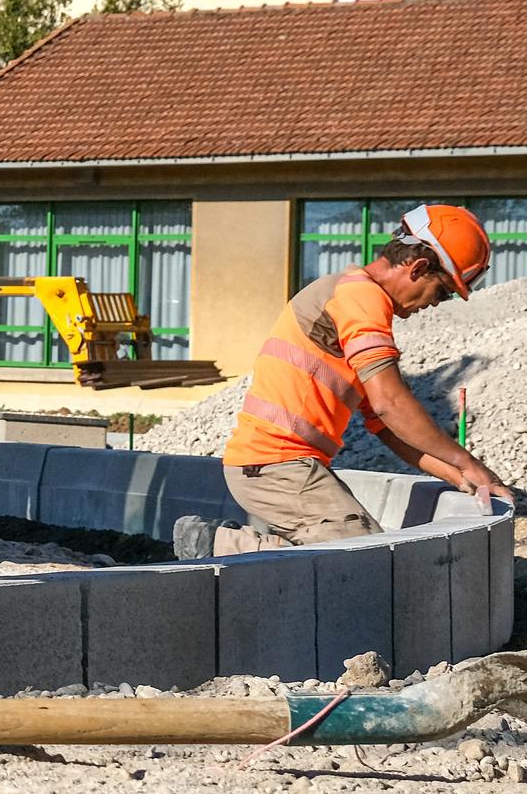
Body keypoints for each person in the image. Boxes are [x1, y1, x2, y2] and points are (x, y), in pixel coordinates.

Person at [211, 205, 510, 549]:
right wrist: (466, 461)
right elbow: (390, 404)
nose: (438, 304)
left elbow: (388, 426)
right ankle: (217, 544)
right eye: (443, 291)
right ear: (419, 267)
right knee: (361, 555)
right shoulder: (361, 297)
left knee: (349, 558)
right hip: (276, 464)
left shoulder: (352, 297)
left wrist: (461, 477)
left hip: (279, 465)